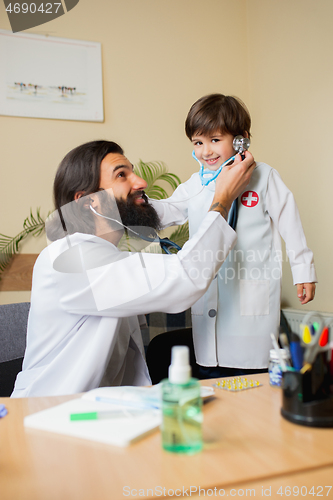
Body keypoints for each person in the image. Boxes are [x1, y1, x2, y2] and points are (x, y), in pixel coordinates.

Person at [11, 140, 255, 397]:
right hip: (47, 415)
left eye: (133, 171)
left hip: (101, 412)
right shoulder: (69, 259)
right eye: (121, 175)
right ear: (88, 203)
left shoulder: (110, 259)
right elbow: (185, 277)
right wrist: (223, 199)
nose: (140, 182)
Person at [150, 94, 317, 378]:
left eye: (215, 140)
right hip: (211, 302)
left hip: (251, 301)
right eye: (198, 142)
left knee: (251, 378)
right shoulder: (197, 183)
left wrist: (304, 271)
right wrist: (134, 204)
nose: (205, 151)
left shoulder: (264, 177)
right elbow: (167, 211)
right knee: (211, 374)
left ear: (242, 139)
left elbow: (291, 223)